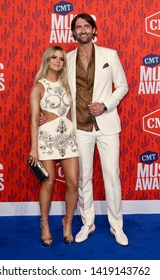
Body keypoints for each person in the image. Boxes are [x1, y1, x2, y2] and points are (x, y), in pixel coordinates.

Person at [40, 13, 129, 246]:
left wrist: (106, 104)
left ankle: (116, 226)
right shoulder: (67, 59)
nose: (82, 30)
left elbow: (122, 85)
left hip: (107, 125)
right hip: (79, 128)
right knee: (82, 179)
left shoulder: (110, 55)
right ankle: (87, 223)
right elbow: (55, 87)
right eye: (78, 27)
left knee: (112, 176)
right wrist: (44, 111)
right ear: (73, 32)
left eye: (86, 26)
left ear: (93, 29)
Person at [29, 46, 79, 247]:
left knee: (73, 183)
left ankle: (67, 221)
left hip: (68, 137)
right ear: (47, 60)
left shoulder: (68, 84)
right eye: (54, 57)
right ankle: (44, 224)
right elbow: (34, 120)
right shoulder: (38, 87)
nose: (58, 61)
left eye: (61, 58)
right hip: (46, 138)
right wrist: (34, 148)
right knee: (48, 181)